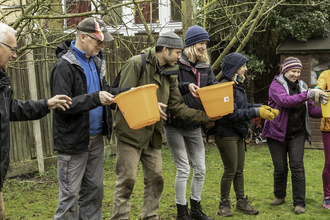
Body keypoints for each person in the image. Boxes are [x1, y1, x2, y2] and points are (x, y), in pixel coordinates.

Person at [110, 32, 212, 220]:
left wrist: (206, 116)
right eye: (176, 53)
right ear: (164, 50)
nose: (179, 57)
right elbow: (120, 98)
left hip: (153, 134)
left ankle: (150, 216)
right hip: (130, 134)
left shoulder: (171, 71)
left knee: (156, 179)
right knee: (127, 181)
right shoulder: (136, 64)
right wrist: (148, 104)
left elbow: (177, 106)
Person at [50, 17, 130, 220]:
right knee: (68, 198)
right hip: (73, 142)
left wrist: (131, 93)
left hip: (95, 141)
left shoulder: (95, 60)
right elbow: (63, 106)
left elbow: (106, 92)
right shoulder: (63, 66)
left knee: (94, 192)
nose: (102, 45)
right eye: (99, 41)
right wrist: (96, 98)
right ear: (83, 36)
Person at [0, 23, 72, 220]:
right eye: (13, 49)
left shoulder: (2, 79)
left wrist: (46, 104)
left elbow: (11, 109)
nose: (15, 55)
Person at [261, 57, 329, 214]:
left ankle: (299, 203)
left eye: (299, 71)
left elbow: (311, 110)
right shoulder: (275, 85)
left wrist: (327, 112)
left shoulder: (303, 86)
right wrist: (308, 94)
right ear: (285, 70)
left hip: (297, 133)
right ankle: (279, 196)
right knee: (280, 168)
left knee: (297, 167)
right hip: (276, 133)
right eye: (293, 71)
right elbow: (286, 101)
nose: (296, 74)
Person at [215, 52, 278, 217]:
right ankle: (224, 205)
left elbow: (244, 105)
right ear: (234, 68)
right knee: (230, 170)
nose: (246, 69)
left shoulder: (237, 85)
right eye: (243, 66)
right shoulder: (224, 87)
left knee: (239, 170)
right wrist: (256, 111)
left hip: (240, 132)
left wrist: (262, 107)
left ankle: (241, 202)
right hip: (226, 132)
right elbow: (231, 114)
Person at [163, 25, 216, 220]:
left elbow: (213, 87)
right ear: (191, 44)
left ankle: (195, 209)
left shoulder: (205, 67)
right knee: (184, 168)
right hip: (174, 123)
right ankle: (182, 213)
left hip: (194, 125)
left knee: (201, 168)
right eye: (201, 43)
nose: (204, 47)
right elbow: (172, 86)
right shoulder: (176, 63)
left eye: (205, 43)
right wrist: (187, 86)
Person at [313, 70, 330, 209]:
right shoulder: (326, 75)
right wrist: (317, 92)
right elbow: (319, 87)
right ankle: (328, 196)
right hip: (328, 126)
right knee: (329, 163)